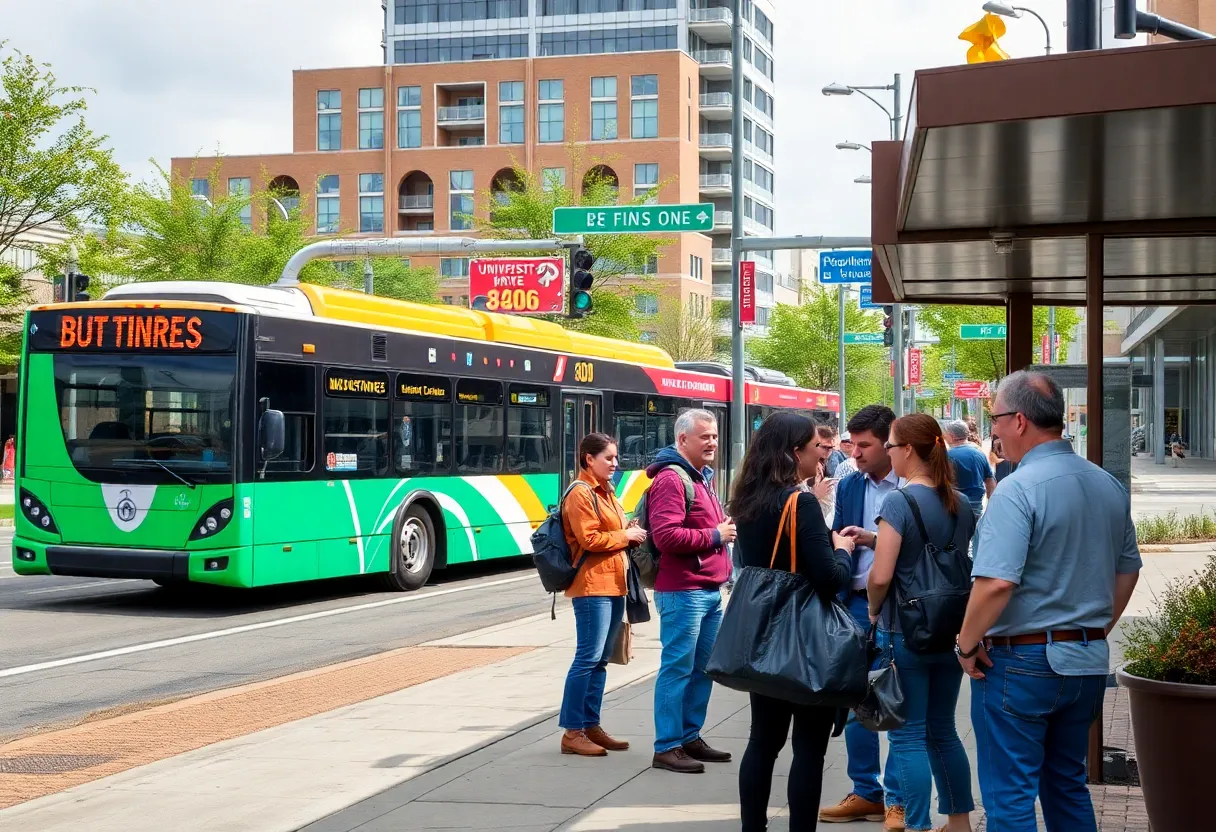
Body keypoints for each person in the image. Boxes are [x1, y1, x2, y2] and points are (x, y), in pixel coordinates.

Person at [956, 371, 1142, 832]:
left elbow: (996, 583)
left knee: (1010, 797)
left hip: (1020, 663)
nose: (994, 430)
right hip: (1086, 661)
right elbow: (1128, 570)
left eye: (996, 419)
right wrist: (1092, 629)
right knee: (1067, 785)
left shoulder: (1017, 488)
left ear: (1019, 420)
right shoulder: (1107, 484)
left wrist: (966, 644)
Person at [730, 412, 856, 831]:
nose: (822, 456)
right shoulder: (798, 502)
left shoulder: (747, 499)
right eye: (815, 447)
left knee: (762, 742)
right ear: (793, 451)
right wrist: (842, 550)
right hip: (805, 640)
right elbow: (829, 578)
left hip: (764, 635)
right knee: (809, 748)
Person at [867, 414, 976, 832]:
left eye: (891, 447)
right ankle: (959, 823)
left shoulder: (898, 502)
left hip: (905, 629)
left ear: (909, 450)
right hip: (950, 628)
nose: (889, 454)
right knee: (943, 730)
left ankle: (917, 825)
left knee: (907, 735)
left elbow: (881, 575)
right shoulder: (959, 502)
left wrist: (873, 609)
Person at [820, 404, 905, 829]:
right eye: (852, 445)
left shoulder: (913, 485)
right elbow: (838, 535)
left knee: (900, 702)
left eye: (865, 446)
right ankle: (867, 791)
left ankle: (899, 800)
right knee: (856, 700)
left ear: (890, 443)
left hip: (901, 608)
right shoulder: (852, 484)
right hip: (854, 604)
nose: (855, 454)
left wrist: (876, 539)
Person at [647, 409, 736, 774]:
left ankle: (689, 737)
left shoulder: (701, 477)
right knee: (678, 669)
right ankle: (667, 746)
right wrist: (716, 535)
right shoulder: (672, 478)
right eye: (705, 437)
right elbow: (666, 536)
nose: (712, 442)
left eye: (714, 435)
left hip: (708, 590)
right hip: (683, 591)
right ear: (683, 439)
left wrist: (720, 528)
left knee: (702, 670)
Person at [558, 433, 648, 757]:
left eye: (615, 457)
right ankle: (572, 732)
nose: (615, 463)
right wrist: (626, 534)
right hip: (592, 585)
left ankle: (590, 725)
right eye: (608, 458)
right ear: (589, 459)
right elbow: (590, 539)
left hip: (614, 582)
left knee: (600, 660)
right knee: (587, 657)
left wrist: (627, 530)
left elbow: (610, 531)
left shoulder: (606, 490)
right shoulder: (580, 493)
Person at [943, 420, 994, 519]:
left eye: (946, 435)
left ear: (952, 436)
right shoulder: (979, 453)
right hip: (976, 509)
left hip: (955, 510)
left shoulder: (948, 456)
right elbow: (990, 481)